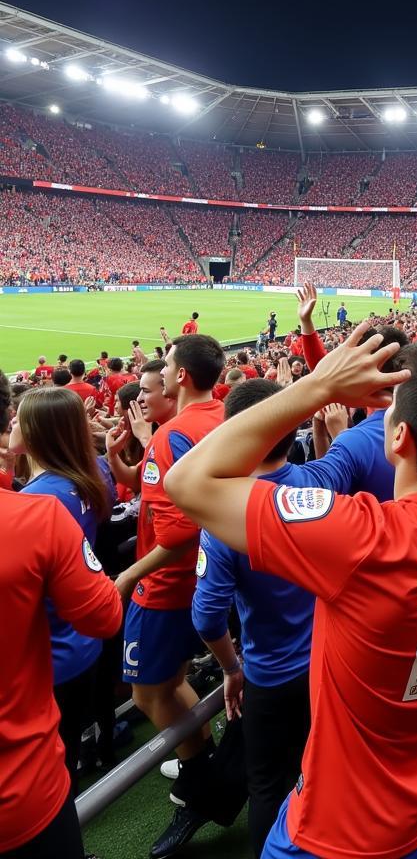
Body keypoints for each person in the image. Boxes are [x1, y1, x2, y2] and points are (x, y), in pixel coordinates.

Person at [163, 331, 417, 859]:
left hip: (349, 829)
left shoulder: (361, 536)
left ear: (399, 436)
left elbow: (188, 480)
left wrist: (317, 386)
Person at [108, 335, 226, 859]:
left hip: (167, 586)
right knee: (171, 680)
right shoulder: (225, 415)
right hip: (208, 579)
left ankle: (203, 779)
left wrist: (130, 575)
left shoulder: (172, 436)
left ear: (179, 377)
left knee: (149, 691)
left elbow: (177, 534)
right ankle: (202, 757)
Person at [0, 369, 123, 859]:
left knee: (64, 740)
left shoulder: (38, 502)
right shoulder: (91, 474)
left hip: (54, 650)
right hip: (78, 638)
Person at [191, 378, 316, 857]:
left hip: (271, 675)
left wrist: (229, 668)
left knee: (267, 787)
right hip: (325, 666)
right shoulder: (317, 481)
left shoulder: (227, 513)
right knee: (316, 773)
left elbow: (206, 617)